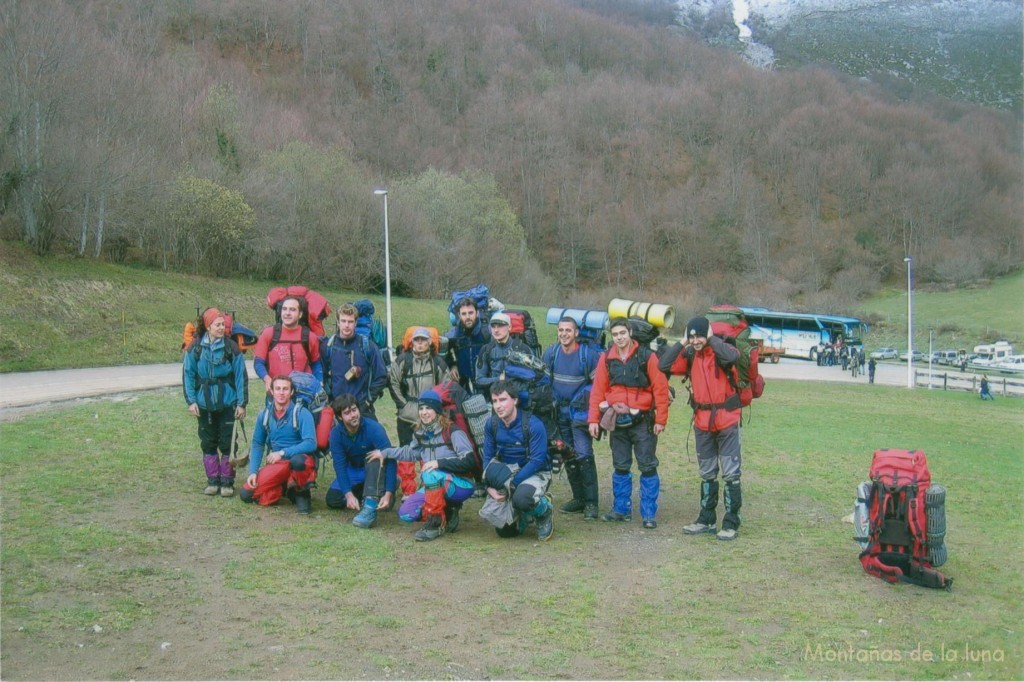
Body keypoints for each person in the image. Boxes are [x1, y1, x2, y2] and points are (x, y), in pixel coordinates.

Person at [660, 316, 744, 541]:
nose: (696, 340)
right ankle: (706, 518)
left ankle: (731, 521)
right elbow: (663, 365)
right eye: (692, 336)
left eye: (699, 336)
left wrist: (711, 339)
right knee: (707, 473)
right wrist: (682, 342)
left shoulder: (722, 350)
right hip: (702, 422)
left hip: (726, 420)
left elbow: (732, 357)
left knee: (730, 473)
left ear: (707, 334)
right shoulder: (690, 355)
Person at [587, 317, 670, 529]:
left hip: (643, 421)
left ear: (630, 332)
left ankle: (649, 513)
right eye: (615, 335)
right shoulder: (606, 358)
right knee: (620, 465)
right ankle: (621, 509)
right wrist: (593, 419)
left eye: (622, 333)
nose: (619, 338)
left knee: (647, 465)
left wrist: (660, 419)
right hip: (617, 421)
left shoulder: (647, 356)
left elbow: (660, 388)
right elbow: (597, 389)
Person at [368, 389, 479, 541]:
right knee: (406, 513)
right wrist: (385, 453)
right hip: (434, 483)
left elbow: (469, 461)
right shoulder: (420, 433)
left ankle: (435, 525)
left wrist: (438, 463)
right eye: (421, 408)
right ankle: (447, 512)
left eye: (429, 408)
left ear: (438, 411)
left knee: (430, 473)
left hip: (461, 485)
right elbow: (410, 453)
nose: (424, 412)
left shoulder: (453, 431)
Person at [182, 307, 249, 497]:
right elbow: (188, 374)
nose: (221, 328)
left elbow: (240, 376)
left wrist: (241, 403)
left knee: (228, 442)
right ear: (208, 326)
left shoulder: (231, 348)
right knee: (208, 442)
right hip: (204, 404)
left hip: (228, 403)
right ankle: (212, 481)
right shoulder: (195, 348)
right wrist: (191, 401)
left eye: (223, 324)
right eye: (217, 325)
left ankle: (227, 482)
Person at [542, 316, 600, 520]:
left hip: (580, 413)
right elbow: (544, 381)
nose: (564, 334)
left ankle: (592, 503)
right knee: (567, 453)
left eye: (568, 330)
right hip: (559, 413)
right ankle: (578, 499)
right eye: (561, 330)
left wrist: (593, 413)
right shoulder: (551, 353)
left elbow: (599, 385)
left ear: (576, 333)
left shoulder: (588, 355)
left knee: (584, 454)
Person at [481, 380, 554, 540]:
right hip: (507, 470)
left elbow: (537, 460)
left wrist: (511, 485)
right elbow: (487, 457)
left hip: (534, 471)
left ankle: (544, 510)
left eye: (503, 400)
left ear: (515, 400)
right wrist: (489, 486)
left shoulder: (533, 425)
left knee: (522, 498)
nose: (498, 406)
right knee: (505, 532)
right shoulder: (491, 424)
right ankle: (522, 516)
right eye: (494, 401)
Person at [240, 375, 318, 514]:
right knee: (246, 494)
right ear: (271, 391)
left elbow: (311, 443)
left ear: (291, 392)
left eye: (285, 389)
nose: (281, 392)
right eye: (278, 389)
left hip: (299, 460)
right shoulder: (264, 415)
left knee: (298, 461)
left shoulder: (302, 413)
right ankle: (284, 487)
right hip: (278, 464)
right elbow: (258, 444)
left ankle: (301, 492)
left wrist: (282, 452)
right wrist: (253, 471)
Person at [388, 327, 450, 499]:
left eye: (424, 340)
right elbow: (393, 382)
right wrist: (403, 405)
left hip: (431, 415)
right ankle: (408, 490)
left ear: (430, 342)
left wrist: (435, 408)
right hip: (407, 415)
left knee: (429, 450)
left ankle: (428, 487)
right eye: (417, 340)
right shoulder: (403, 360)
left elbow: (446, 386)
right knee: (407, 450)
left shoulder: (437, 362)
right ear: (412, 342)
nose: (420, 343)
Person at [324, 394, 396, 528]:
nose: (353, 415)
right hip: (354, 470)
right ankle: (369, 493)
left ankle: (372, 503)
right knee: (333, 500)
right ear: (340, 417)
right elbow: (340, 465)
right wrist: (348, 494)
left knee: (375, 457)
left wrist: (388, 493)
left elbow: (390, 458)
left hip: (375, 468)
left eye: (354, 410)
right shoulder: (335, 434)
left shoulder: (374, 428)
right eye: (347, 413)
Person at [321, 303, 387, 417]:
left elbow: (381, 375)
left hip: (363, 409)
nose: (347, 325)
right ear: (338, 322)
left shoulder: (368, 346)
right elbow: (322, 375)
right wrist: (331, 400)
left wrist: (367, 401)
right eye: (343, 321)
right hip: (337, 409)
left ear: (356, 323)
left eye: (350, 322)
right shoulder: (328, 346)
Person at [253, 296, 323, 396]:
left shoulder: (310, 337)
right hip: (277, 393)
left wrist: (319, 383)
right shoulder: (269, 334)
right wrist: (267, 379)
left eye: (292, 309)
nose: (287, 313)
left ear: (300, 314)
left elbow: (316, 364)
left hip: (304, 394)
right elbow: (258, 363)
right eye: (284, 309)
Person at [475, 312, 534, 401]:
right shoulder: (486, 350)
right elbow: (479, 380)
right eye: (493, 326)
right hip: (495, 399)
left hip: (519, 399)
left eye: (500, 326)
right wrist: (498, 379)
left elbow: (531, 378)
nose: (496, 330)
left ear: (509, 327)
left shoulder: (523, 349)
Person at [444, 296, 491, 393]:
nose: (468, 317)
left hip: (486, 382)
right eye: (464, 314)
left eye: (471, 313)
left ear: (477, 313)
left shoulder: (487, 333)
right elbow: (444, 352)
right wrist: (452, 365)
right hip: (464, 383)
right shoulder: (454, 334)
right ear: (459, 315)